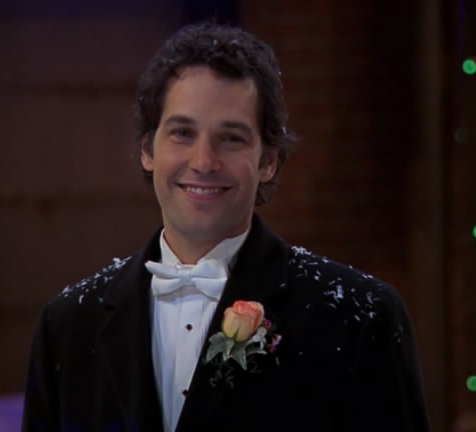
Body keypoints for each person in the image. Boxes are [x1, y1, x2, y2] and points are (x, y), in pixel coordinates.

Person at [22, 21, 429, 432]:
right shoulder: (67, 327)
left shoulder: (361, 319)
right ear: (147, 150)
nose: (203, 162)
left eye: (231, 138)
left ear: (268, 161)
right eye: (182, 133)